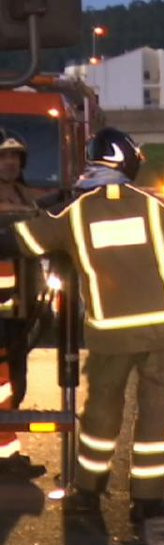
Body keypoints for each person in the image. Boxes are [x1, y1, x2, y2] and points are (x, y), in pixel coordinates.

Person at [10, 127, 164, 521]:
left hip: (110, 337)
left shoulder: (74, 215)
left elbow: (20, 242)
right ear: (128, 160)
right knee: (156, 415)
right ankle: (148, 500)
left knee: (100, 416)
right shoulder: (158, 211)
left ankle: (88, 494)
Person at [0, 130, 47, 479]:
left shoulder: (21, 193)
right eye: (4, 157)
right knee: (4, 382)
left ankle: (9, 452)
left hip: (22, 304)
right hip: (4, 307)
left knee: (15, 378)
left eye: (15, 157)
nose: (11, 163)